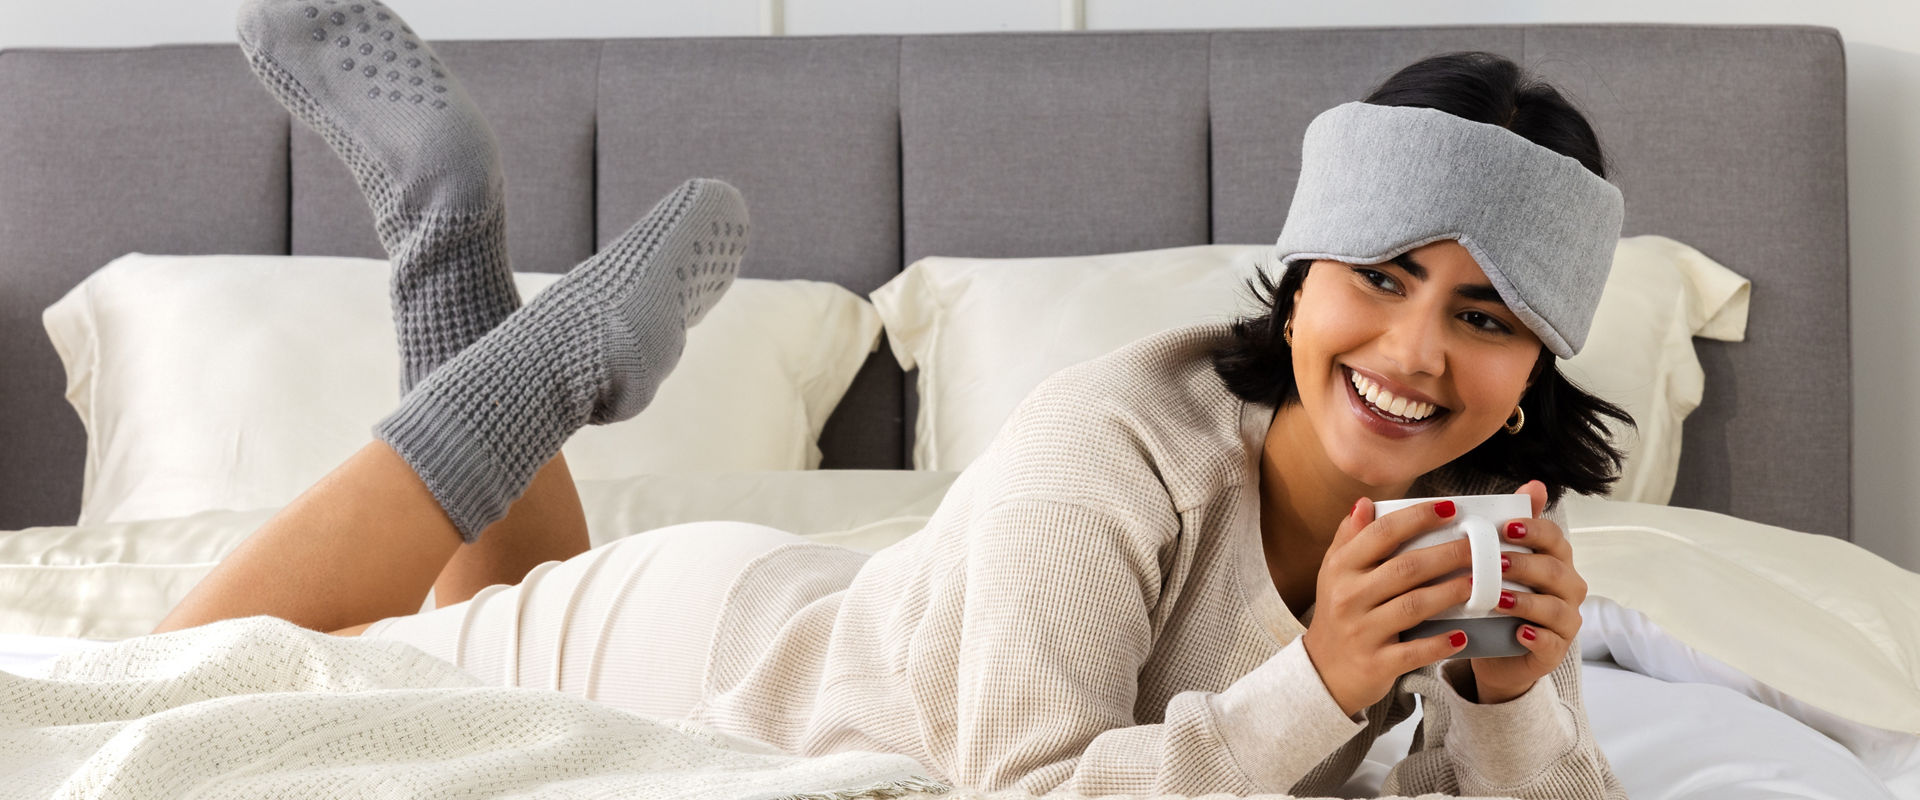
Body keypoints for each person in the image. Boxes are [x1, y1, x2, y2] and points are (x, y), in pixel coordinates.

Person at [156, 2, 1631, 797]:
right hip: (708, 679)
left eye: (1485, 315)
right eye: (1379, 276)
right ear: (1301, 280)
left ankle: (457, 234)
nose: (1418, 350)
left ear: (1532, 374)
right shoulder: (1116, 437)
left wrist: (1505, 710)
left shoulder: (1490, 539)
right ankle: (533, 349)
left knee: (469, 612)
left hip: (824, 628)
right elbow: (1022, 797)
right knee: (187, 680)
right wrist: (1316, 678)